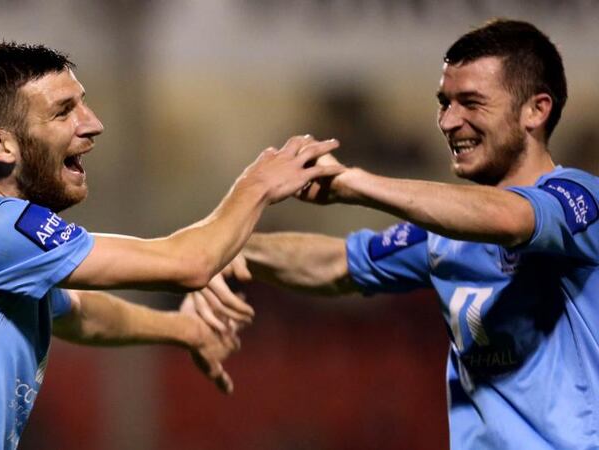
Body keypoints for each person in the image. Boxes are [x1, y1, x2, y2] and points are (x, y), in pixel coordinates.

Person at [0, 42, 340, 449]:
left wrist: (182, 328)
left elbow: (80, 313)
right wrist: (258, 184)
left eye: (83, 103)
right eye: (64, 111)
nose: (92, 123)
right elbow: (189, 262)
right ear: (2, 145)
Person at [237, 19, 597, 449]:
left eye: (471, 103)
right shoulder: (445, 235)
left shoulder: (580, 200)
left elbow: (514, 220)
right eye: (443, 103)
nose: (448, 121)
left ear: (536, 110)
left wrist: (355, 184)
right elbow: (336, 263)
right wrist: (225, 248)